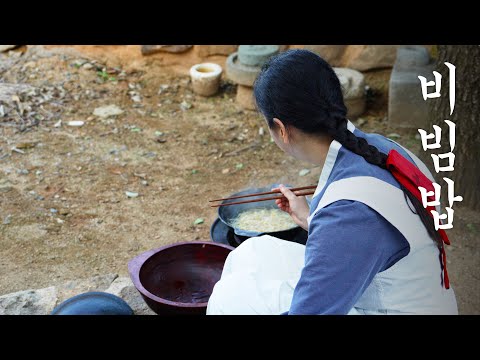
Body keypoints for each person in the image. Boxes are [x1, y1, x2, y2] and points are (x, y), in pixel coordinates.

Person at [206, 49, 458, 315]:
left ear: (281, 129)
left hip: (391, 309)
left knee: (228, 297)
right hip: (400, 291)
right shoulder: (380, 147)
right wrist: (312, 218)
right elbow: (365, 238)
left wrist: (325, 223)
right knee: (251, 252)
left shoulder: (348, 213)